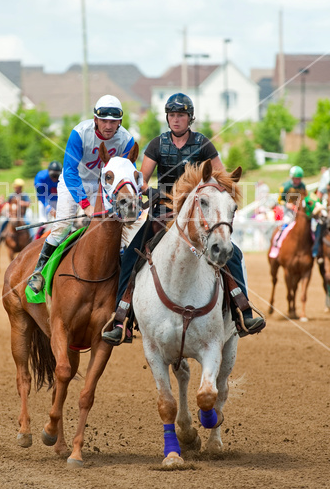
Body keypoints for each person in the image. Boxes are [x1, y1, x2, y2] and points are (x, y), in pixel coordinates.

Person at [102, 92, 265, 345]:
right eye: (172, 115)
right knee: (132, 255)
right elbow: (142, 180)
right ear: (167, 118)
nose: (176, 119)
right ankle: (121, 318)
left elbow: (221, 179)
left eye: (181, 115)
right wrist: (148, 191)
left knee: (234, 254)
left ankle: (242, 312)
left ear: (190, 118)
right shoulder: (156, 144)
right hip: (162, 214)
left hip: (196, 217)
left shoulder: (204, 144)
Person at [27, 95, 135, 293]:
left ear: (120, 121)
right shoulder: (79, 133)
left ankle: (122, 277)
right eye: (104, 120)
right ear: (95, 119)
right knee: (62, 226)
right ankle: (39, 271)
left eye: (113, 121)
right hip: (73, 183)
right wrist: (85, 205)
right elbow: (69, 171)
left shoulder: (127, 140)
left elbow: (129, 170)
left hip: (103, 186)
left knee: (116, 229)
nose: (108, 126)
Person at [0, 179, 32, 248]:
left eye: (18, 187)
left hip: (22, 215)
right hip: (13, 215)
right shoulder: (12, 195)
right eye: (16, 187)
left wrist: (21, 203)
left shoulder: (24, 195)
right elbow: (8, 204)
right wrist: (8, 212)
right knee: (4, 223)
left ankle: (32, 239)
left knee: (28, 223)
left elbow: (28, 204)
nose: (16, 188)